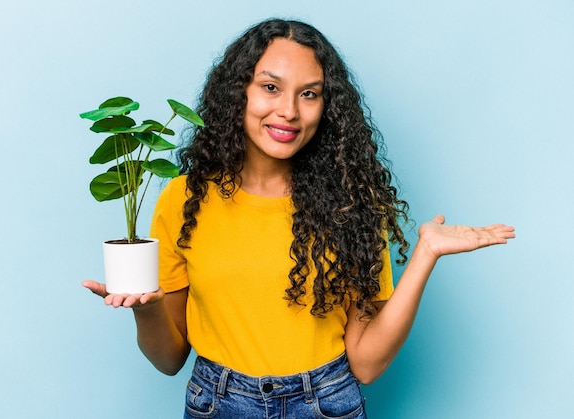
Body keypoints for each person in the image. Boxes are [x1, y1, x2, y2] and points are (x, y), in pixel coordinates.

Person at [83, 18, 515, 419]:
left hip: (327, 402)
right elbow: (168, 360)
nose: (289, 110)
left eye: (309, 93)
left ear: (326, 106)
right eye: (271, 87)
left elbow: (365, 364)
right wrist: (145, 308)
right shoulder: (184, 199)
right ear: (239, 92)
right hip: (218, 402)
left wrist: (425, 254)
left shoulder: (350, 205)